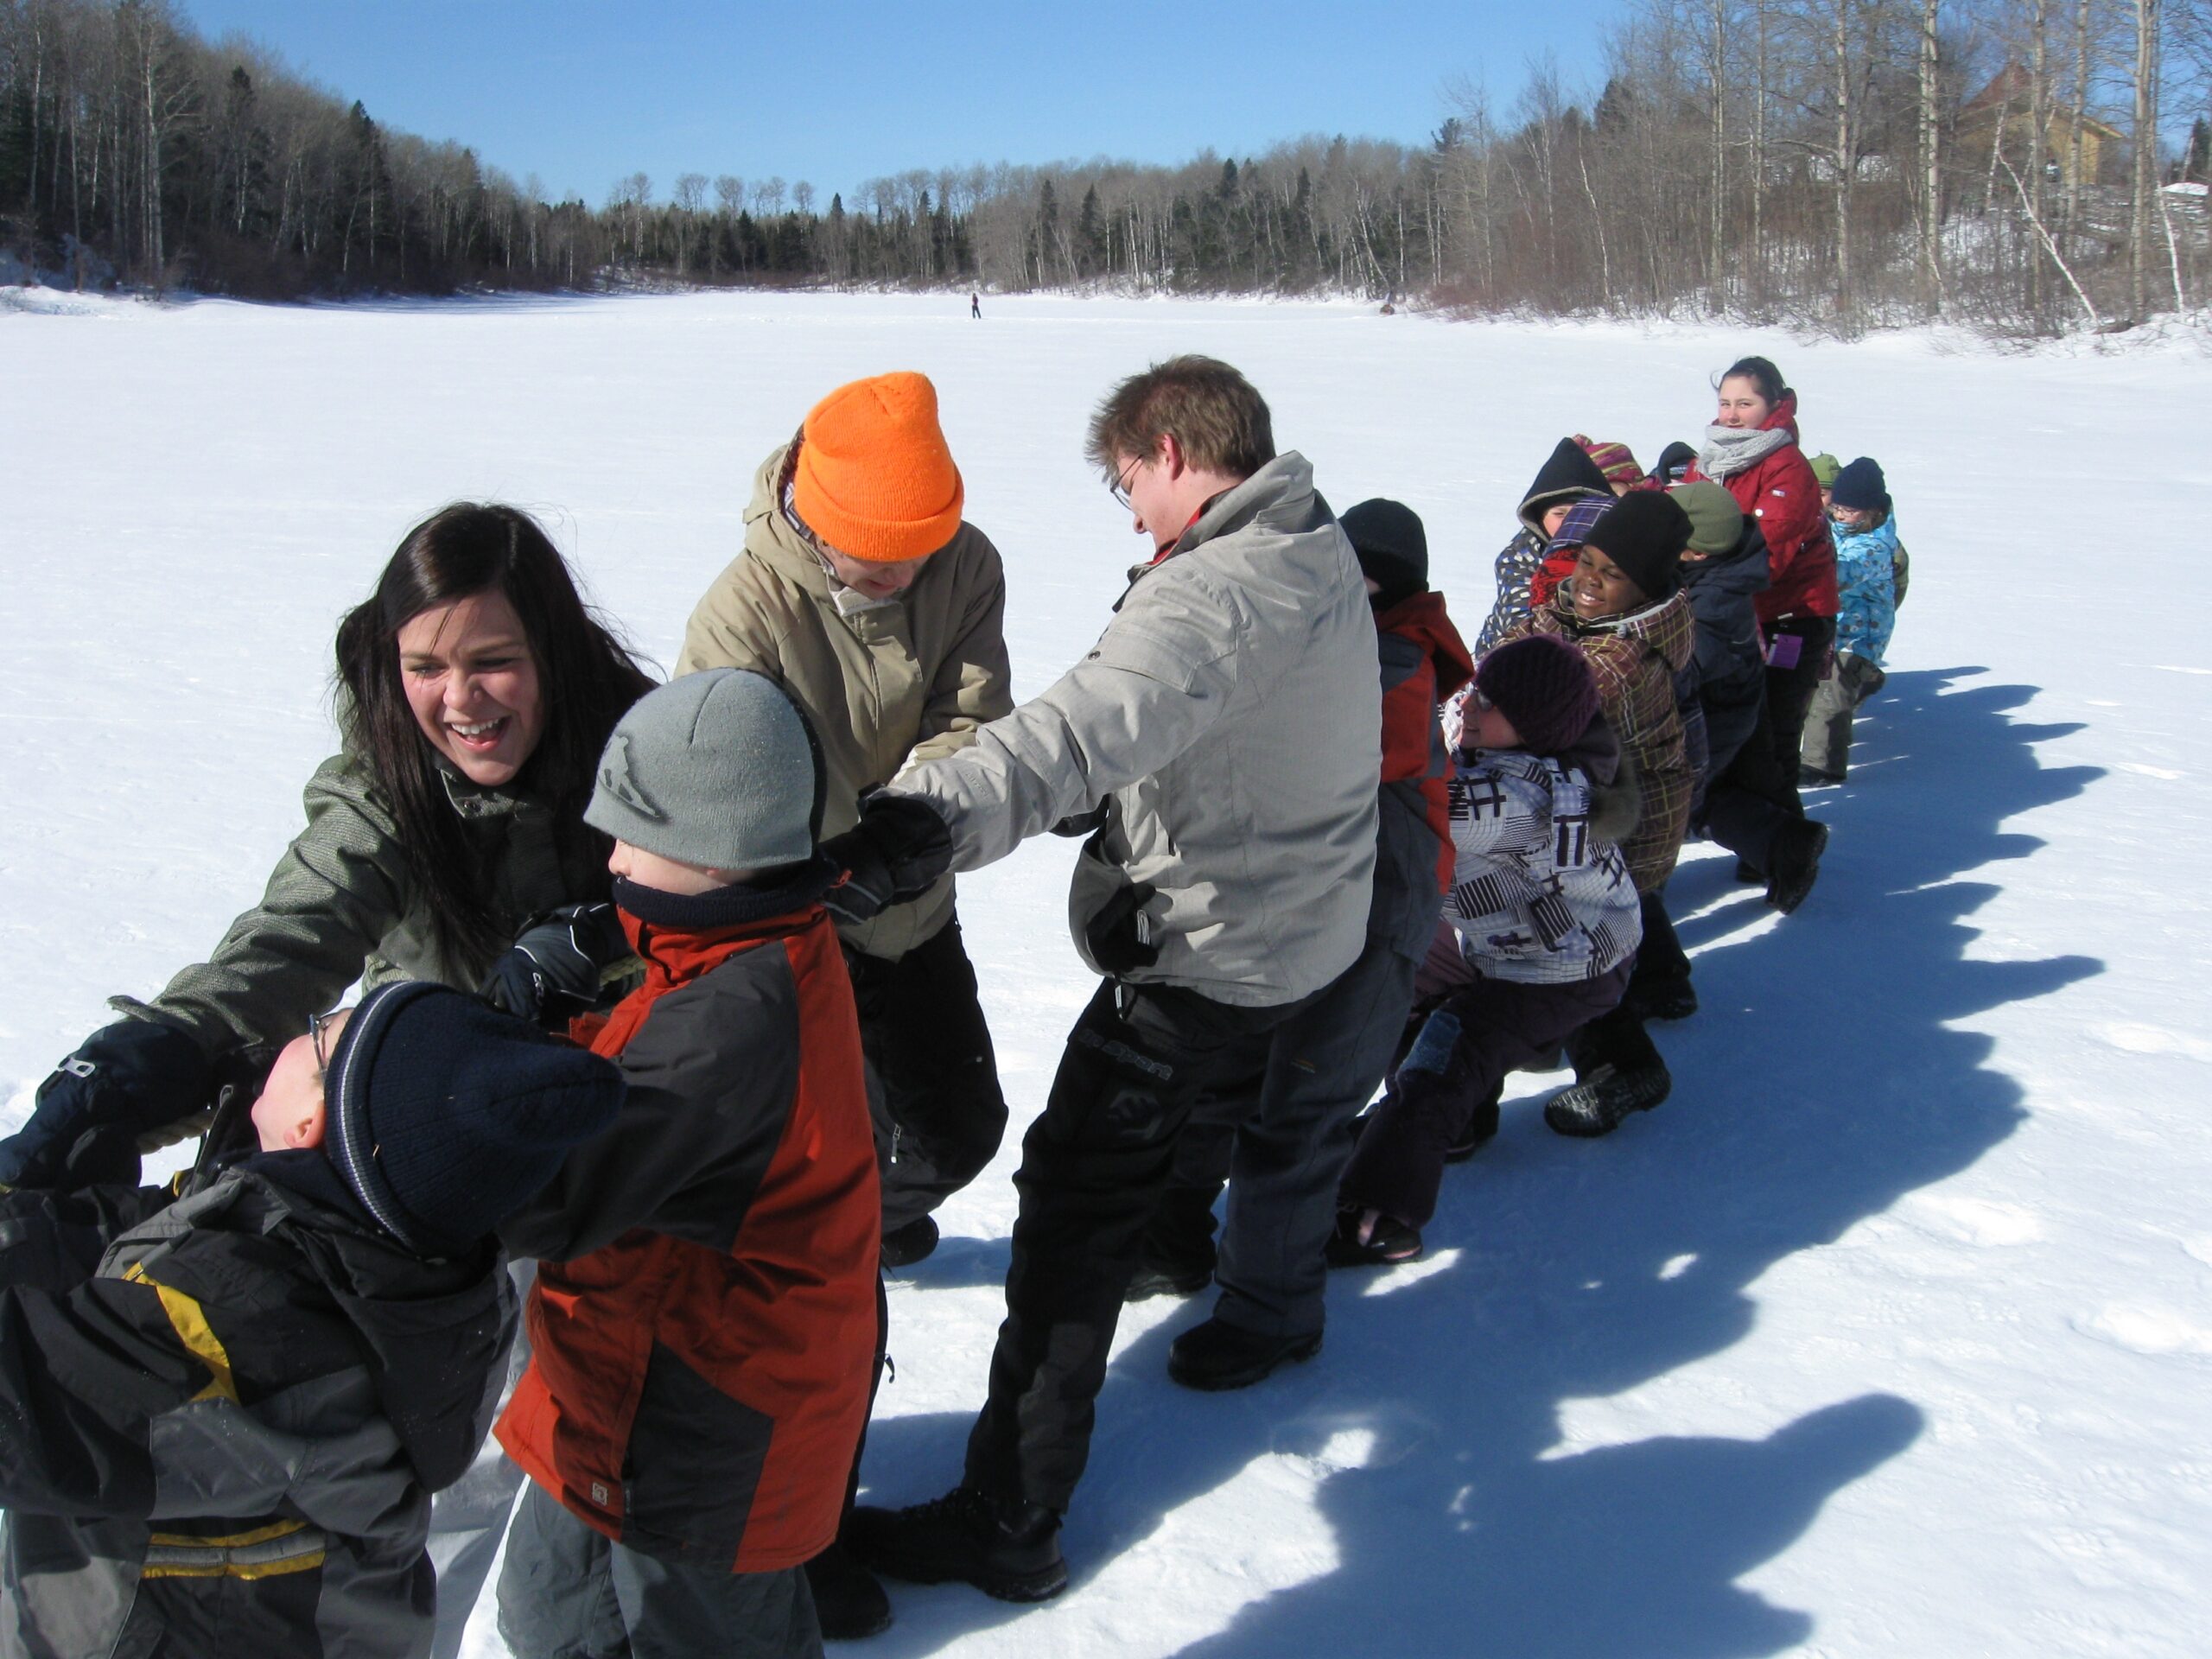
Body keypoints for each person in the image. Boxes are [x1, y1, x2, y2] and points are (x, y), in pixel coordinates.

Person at [0, 501, 656, 1657]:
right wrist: (139, 1061)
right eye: (427, 666)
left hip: (601, 1142)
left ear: (549, 646)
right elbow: (284, 945)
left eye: (493, 660)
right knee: (445, 1470)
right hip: (430, 1173)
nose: (459, 700)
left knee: (603, 1416)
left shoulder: (637, 757)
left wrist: (613, 937)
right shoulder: (385, 791)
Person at [824, 354, 1381, 1602]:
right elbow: (1202, 721)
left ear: (1175, 452)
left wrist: (912, 821)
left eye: (1131, 482)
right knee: (1202, 1121)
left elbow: (1074, 730)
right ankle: (1180, 1239)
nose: (1132, 511)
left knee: (1073, 1206)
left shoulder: (1216, 593)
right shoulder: (1308, 534)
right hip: (1305, 939)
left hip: (1213, 962)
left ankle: (1008, 1517)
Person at [0, 982, 623, 1659]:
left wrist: (19, 1178)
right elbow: (204, 1232)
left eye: (319, 1033)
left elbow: (30, 1395)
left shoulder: (240, 1333)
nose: (295, 1038)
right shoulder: (419, 1272)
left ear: (311, 1126)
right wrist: (41, 1200)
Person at [493, 670, 880, 1659]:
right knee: (548, 1619)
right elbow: (641, 1088)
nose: (612, 856)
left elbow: (554, 1188)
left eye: (635, 835)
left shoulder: (733, 1019)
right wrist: (568, 1033)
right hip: (615, 1386)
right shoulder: (737, 948)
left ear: (720, 855)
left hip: (702, 1433)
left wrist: (489, 1054)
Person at [676, 371, 1014, 1271]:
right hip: (802, 928)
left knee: (963, 1132)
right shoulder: (741, 621)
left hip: (915, 898)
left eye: (921, 550)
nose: (906, 574)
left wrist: (904, 827)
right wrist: (829, 864)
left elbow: (967, 718)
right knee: (823, 1153)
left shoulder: (966, 564)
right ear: (820, 524)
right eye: (880, 556)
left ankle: (864, 1222)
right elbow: (709, 802)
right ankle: (816, 1257)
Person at [1127, 497, 1474, 1366]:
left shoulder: (1399, 662)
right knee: (1221, 1083)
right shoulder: (1328, 641)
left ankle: (1269, 1314)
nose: (1344, 593)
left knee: (1300, 1117)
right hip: (1294, 909)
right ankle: (1172, 1239)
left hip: (1377, 924)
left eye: (1364, 581)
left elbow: (1345, 749)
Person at [1331, 635, 1642, 1263]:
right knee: (1407, 993)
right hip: (1532, 945)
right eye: (1475, 692)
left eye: (1492, 705)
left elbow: (1415, 804)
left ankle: (1381, 1216)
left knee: (1439, 1061)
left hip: (1556, 970)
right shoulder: (1528, 757)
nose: (1470, 708)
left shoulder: (1516, 799)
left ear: (1533, 725)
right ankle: (1458, 1128)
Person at [1503, 491, 1695, 1135]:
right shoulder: (1568, 614)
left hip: (1629, 820)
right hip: (1590, 808)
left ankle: (1624, 1064)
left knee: (1569, 939)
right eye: (1585, 562)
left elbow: (1544, 702)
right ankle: (1655, 984)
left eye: (1611, 575)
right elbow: (1509, 655)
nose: (1587, 582)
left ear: (1644, 589)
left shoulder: (1630, 656)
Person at [1668, 484, 1829, 918]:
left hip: (1716, 712)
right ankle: (1784, 841)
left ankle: (1782, 843)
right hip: (1725, 706)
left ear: (1696, 552)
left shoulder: (1713, 601)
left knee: (1679, 802)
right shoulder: (1716, 574)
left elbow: (1689, 664)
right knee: (1706, 795)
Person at [1686, 356, 1838, 792]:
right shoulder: (1709, 460)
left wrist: (1698, 570)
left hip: (1790, 618)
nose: (1731, 415)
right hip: (1729, 613)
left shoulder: (1787, 465)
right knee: (1734, 727)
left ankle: (1780, 843)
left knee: (1774, 729)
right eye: (1725, 403)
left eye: (1745, 403)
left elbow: (1768, 551)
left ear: (1775, 405)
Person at [1802, 457, 1904, 785]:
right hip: (1832, 630)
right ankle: (1865, 680)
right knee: (1811, 689)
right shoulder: (1834, 529)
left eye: (1851, 510)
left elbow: (1840, 574)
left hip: (1860, 637)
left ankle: (1822, 766)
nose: (1841, 514)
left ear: (1873, 511)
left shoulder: (1874, 547)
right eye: (1838, 507)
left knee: (1831, 695)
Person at [1473, 435, 1618, 657]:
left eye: (1582, 513)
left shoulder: (1619, 556)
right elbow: (1523, 626)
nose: (1571, 522)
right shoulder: (1520, 558)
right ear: (1539, 518)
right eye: (1559, 514)